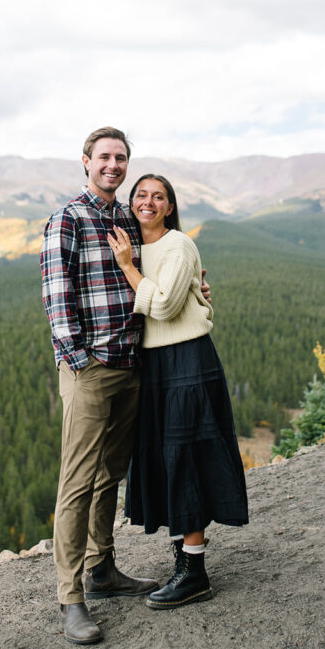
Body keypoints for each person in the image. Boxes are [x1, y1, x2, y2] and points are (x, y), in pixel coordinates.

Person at [41, 128, 210, 644]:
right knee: (77, 480)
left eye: (121, 159)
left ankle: (102, 569)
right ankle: (72, 599)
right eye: (105, 158)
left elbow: (159, 266)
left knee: (110, 473)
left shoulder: (124, 217)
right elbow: (56, 296)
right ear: (86, 163)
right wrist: (79, 362)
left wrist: (198, 282)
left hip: (133, 365)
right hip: (91, 370)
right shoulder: (68, 219)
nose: (113, 166)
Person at [107, 174, 248, 609]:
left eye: (159, 197)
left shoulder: (177, 245)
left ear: (169, 206)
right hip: (154, 364)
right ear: (131, 203)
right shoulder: (135, 244)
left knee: (187, 458)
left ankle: (195, 573)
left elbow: (166, 306)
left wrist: (129, 268)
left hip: (186, 360)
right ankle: (183, 559)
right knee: (166, 460)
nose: (148, 202)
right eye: (141, 195)